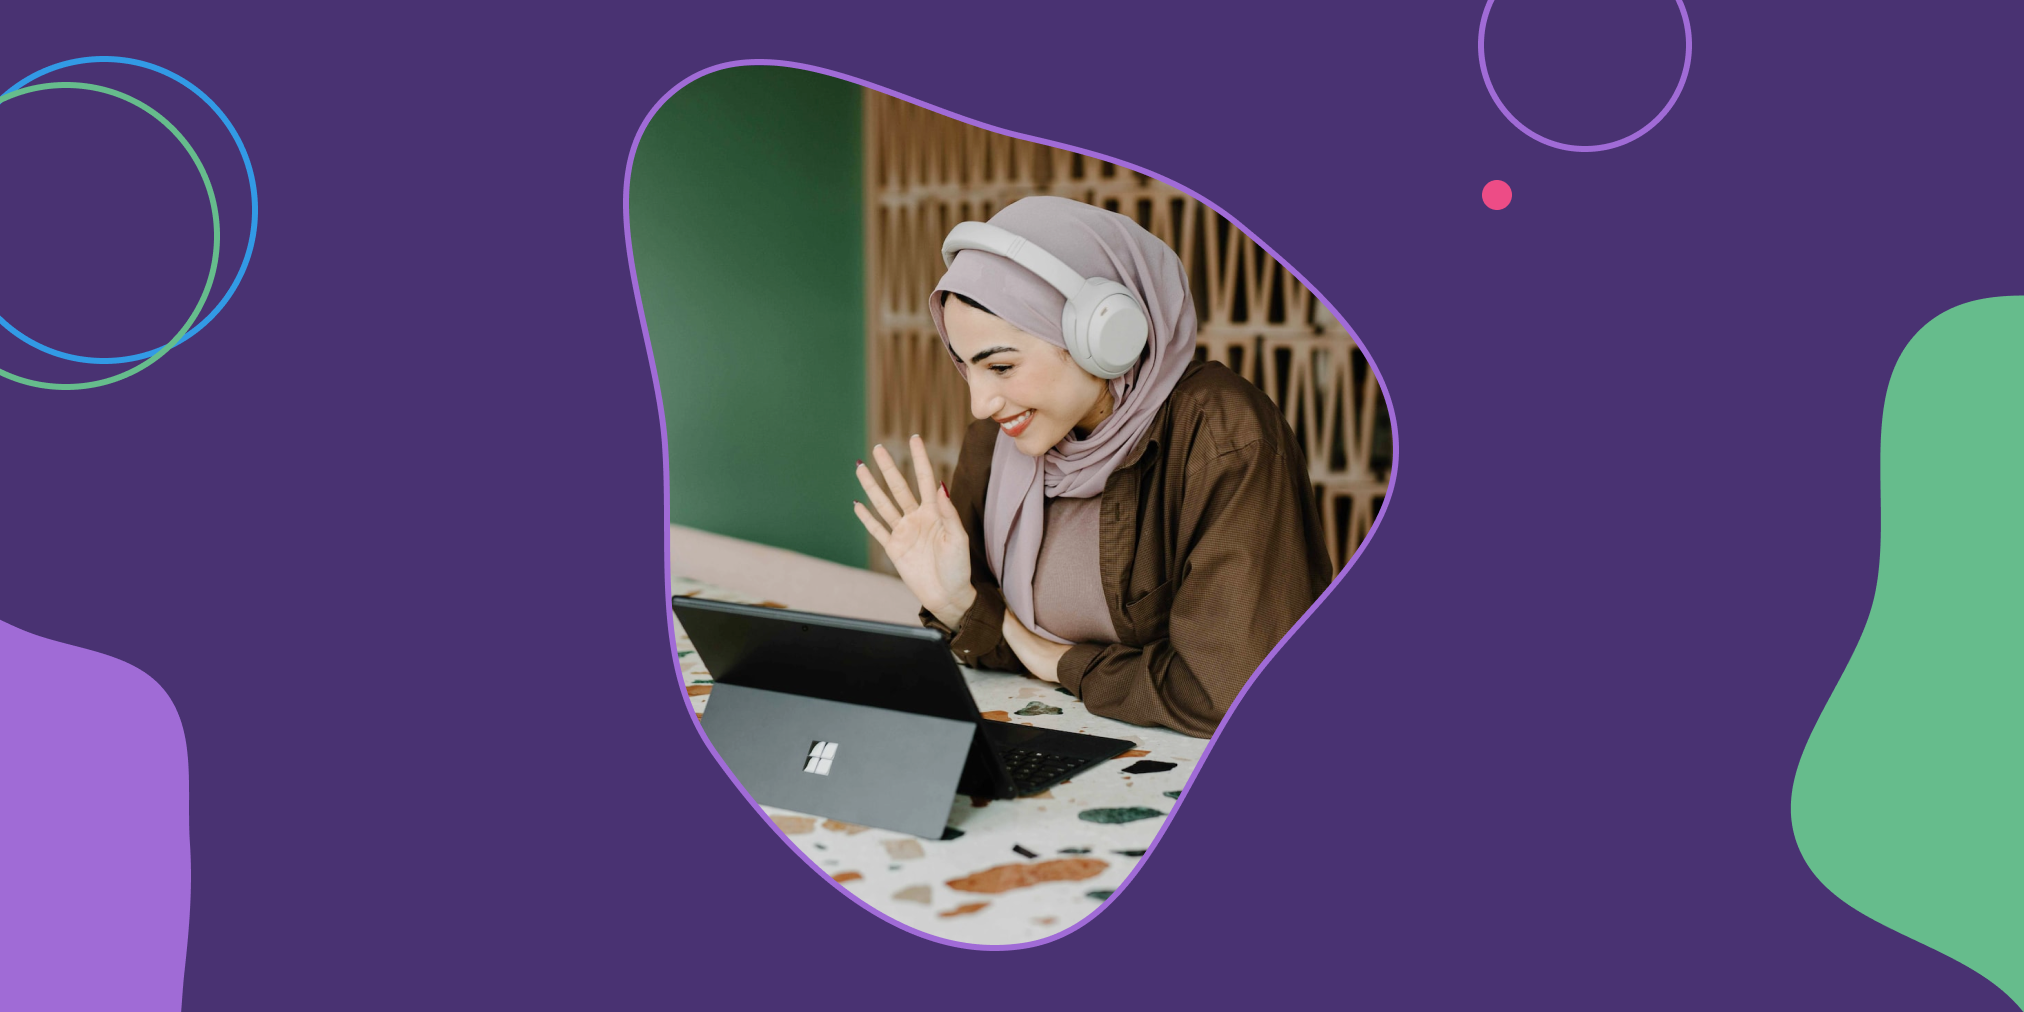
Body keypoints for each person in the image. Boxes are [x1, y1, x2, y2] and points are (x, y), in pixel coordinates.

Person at [851, 196, 1332, 738]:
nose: (980, 404)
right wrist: (957, 604)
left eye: (1003, 366)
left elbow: (1226, 693)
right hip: (1050, 740)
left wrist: (1055, 659)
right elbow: (990, 655)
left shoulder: (1220, 433)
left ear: (1102, 336)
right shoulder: (995, 443)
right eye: (968, 370)